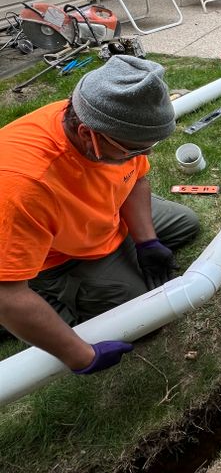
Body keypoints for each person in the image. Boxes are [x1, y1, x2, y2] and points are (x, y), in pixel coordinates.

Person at [0, 56, 199, 375]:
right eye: (134, 150)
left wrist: (146, 242)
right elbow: (7, 296)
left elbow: (136, 179)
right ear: (88, 134)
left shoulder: (109, 120)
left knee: (186, 225)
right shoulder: (23, 184)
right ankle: (44, 303)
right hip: (59, 256)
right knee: (145, 322)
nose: (144, 155)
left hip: (103, 214)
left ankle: (127, 250)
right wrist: (80, 355)